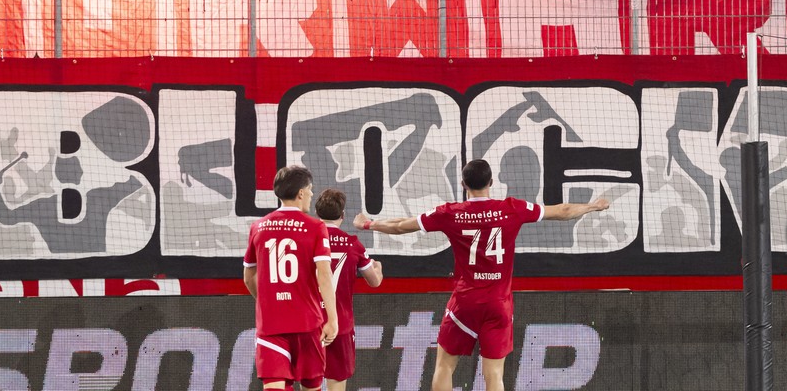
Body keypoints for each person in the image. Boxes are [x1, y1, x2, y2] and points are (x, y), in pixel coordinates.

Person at [354, 158, 609, 391]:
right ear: (492, 182)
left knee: (444, 366)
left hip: (464, 304)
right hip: (498, 305)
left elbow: (400, 227)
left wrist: (368, 224)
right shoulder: (512, 208)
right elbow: (562, 211)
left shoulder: (450, 212)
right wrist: (593, 206)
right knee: (494, 375)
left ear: (463, 184)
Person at [242, 164, 338, 391]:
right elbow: (324, 274)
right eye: (311, 189)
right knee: (312, 386)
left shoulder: (258, 227)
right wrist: (332, 319)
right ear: (301, 193)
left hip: (271, 325)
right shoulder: (315, 227)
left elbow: (249, 276)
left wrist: (267, 301)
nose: (312, 194)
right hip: (307, 323)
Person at [315, 188, 383, 391]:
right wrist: (378, 267)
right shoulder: (352, 244)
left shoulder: (308, 240)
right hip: (341, 325)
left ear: (317, 214)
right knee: (337, 384)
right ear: (342, 216)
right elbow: (374, 281)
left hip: (312, 323)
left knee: (310, 382)